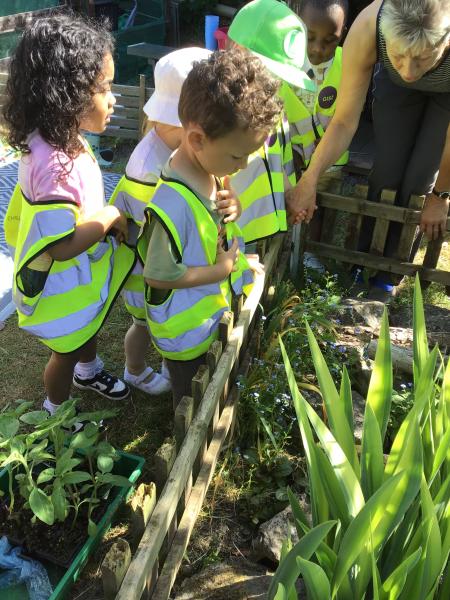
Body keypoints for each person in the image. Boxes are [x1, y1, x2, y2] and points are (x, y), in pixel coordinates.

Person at [3, 13, 135, 415]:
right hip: (60, 281)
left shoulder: (58, 138)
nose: (113, 99)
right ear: (67, 93)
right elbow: (60, 246)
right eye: (104, 88)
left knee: (86, 324)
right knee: (65, 350)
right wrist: (110, 215)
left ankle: (88, 370)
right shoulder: (54, 166)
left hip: (78, 275)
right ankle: (54, 409)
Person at [142, 49, 282, 407]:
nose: (244, 164)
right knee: (189, 397)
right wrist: (221, 270)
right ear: (197, 140)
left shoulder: (208, 167)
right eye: (238, 156)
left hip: (206, 315)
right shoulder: (172, 204)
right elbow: (158, 275)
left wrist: (234, 205)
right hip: (184, 332)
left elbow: (210, 226)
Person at [290, 0, 450, 301]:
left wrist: (440, 196)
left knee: (420, 179)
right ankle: (364, 261)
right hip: (394, 87)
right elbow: (343, 121)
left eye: (422, 58)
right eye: (398, 55)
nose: (410, 71)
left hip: (446, 90)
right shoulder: (368, 26)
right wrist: (310, 178)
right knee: (387, 170)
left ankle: (390, 273)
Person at [109, 47, 242, 395]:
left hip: (170, 266)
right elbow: (163, 229)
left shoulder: (181, 155)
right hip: (147, 267)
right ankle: (134, 369)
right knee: (142, 324)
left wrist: (229, 202)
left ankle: (166, 365)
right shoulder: (148, 167)